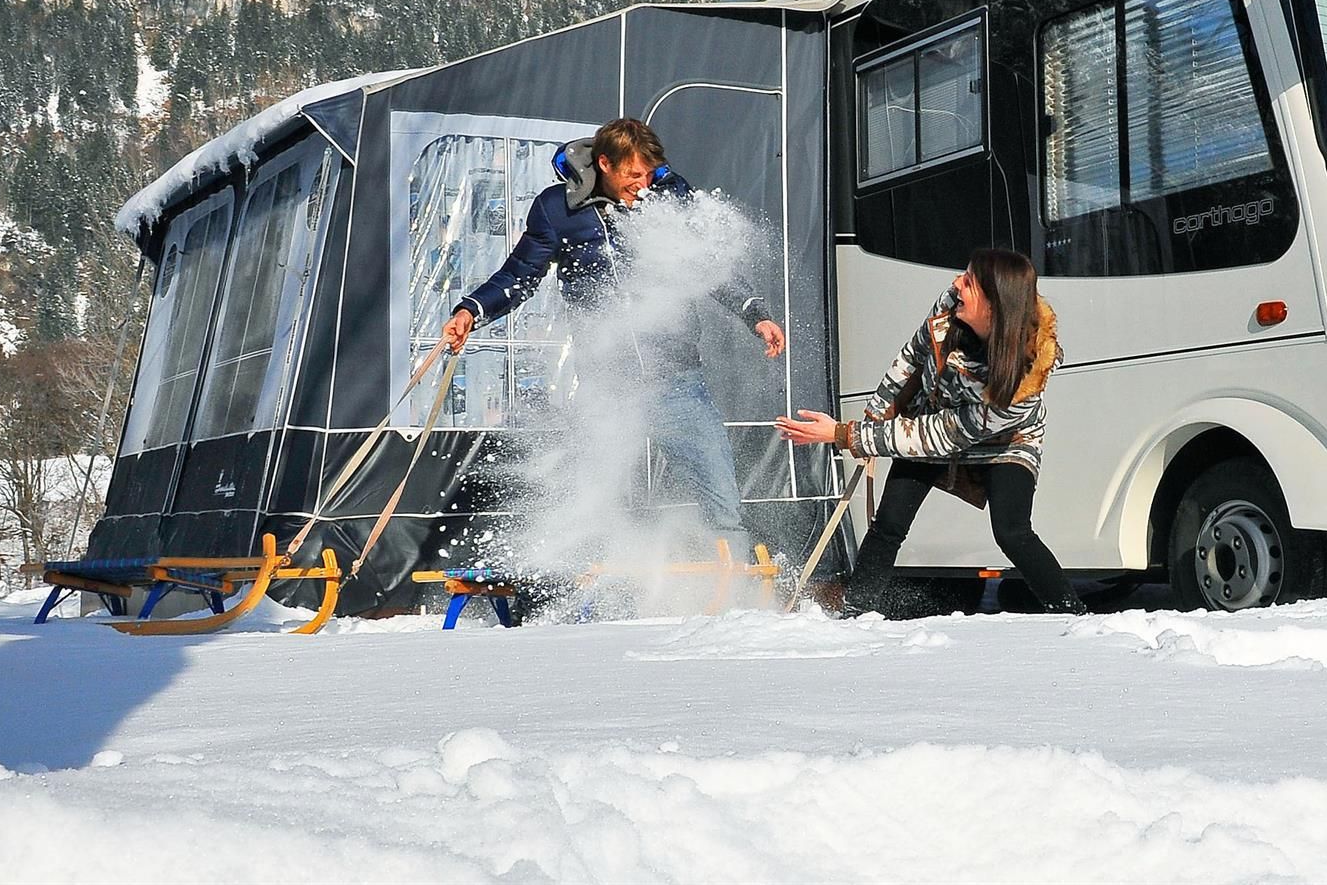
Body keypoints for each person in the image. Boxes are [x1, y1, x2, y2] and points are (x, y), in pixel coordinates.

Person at [441, 118, 785, 551]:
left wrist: (755, 313)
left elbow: (707, 265)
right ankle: (591, 597)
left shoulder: (667, 197)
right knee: (592, 499)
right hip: (608, 386)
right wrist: (471, 309)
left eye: (648, 174)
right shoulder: (557, 209)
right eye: (633, 175)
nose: (642, 185)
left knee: (719, 494)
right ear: (605, 163)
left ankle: (735, 589)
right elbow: (519, 275)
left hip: (677, 381)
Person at [776, 248, 1085, 615]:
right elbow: (910, 357)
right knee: (889, 521)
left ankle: (1070, 611)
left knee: (1011, 531)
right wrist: (874, 420)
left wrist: (847, 435)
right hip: (935, 415)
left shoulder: (1021, 383)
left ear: (993, 304)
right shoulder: (951, 306)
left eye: (968, 282)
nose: (956, 283)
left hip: (1006, 442)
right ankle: (854, 609)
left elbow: (940, 437)